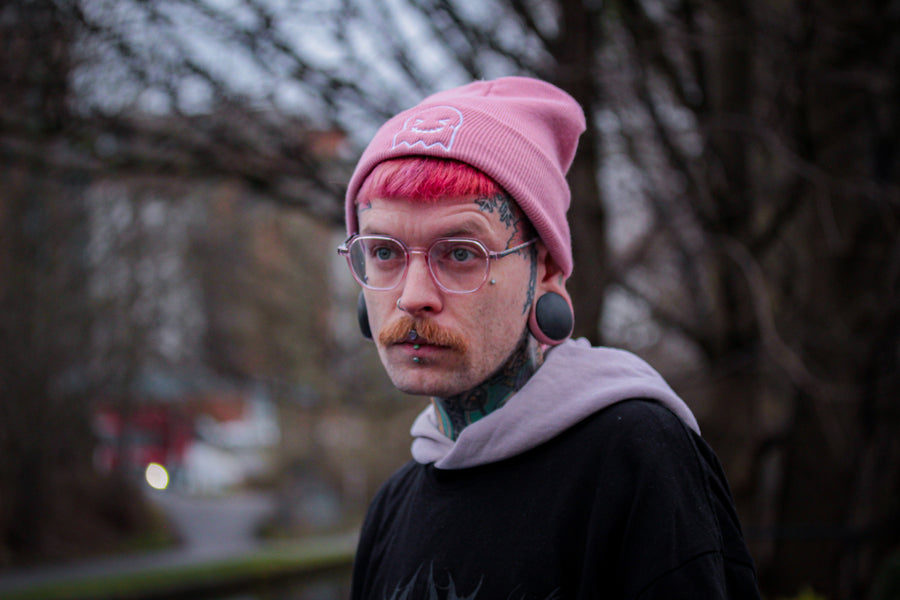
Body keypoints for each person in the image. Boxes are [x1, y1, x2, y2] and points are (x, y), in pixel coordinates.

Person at [339, 76, 760, 599]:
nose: (413, 296)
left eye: (462, 252)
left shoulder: (636, 458)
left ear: (547, 271)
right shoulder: (391, 509)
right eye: (384, 253)